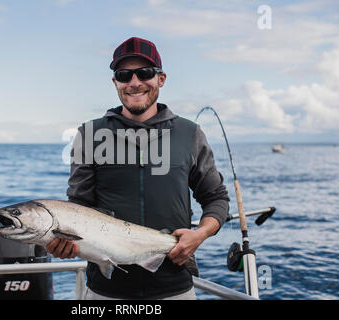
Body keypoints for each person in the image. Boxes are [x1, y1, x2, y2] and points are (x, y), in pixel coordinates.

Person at [47, 37, 230, 300]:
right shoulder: (89, 134)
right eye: (124, 75)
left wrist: (200, 234)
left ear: (161, 79)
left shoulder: (190, 133)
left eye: (145, 73)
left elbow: (216, 198)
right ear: (115, 82)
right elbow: (79, 207)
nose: (135, 82)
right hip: (106, 291)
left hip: (174, 287)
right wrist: (64, 242)